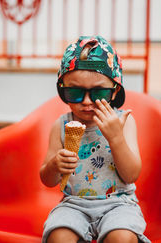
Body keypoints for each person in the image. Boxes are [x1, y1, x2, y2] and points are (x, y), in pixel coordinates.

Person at [40, 36, 151, 243]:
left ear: (115, 90)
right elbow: (47, 179)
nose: (87, 102)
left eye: (98, 92)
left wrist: (116, 138)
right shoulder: (61, 126)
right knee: (58, 237)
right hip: (74, 204)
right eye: (75, 92)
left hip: (119, 204)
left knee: (123, 238)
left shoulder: (123, 122)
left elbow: (131, 175)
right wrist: (55, 165)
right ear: (63, 89)